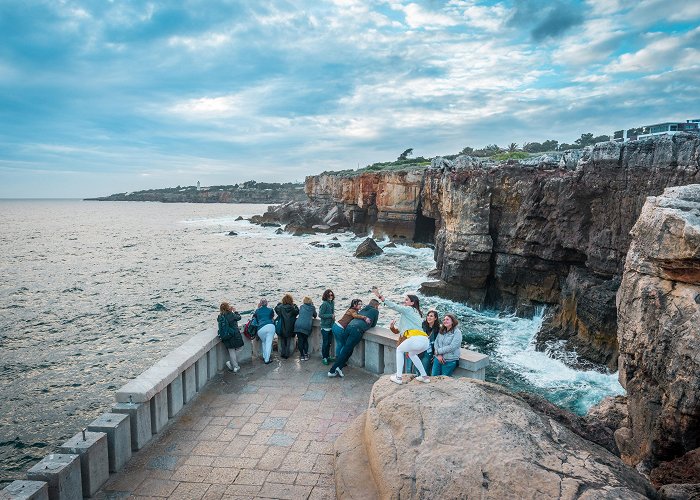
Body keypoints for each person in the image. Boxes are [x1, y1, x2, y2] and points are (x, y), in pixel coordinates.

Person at [373, 288, 430, 384]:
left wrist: (381, 297)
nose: (405, 301)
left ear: (412, 303)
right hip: (425, 341)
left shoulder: (408, 309)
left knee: (399, 350)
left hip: (416, 339)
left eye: (407, 300)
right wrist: (392, 327)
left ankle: (398, 377)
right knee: (412, 354)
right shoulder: (416, 314)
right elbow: (400, 331)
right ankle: (424, 376)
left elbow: (395, 306)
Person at [328, 299, 380, 378]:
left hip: (348, 327)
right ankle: (332, 370)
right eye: (378, 306)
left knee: (348, 349)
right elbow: (373, 325)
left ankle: (339, 367)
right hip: (357, 330)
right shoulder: (375, 311)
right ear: (376, 306)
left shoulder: (362, 309)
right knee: (346, 350)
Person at [217, 302, 244, 373]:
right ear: (228, 307)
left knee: (231, 351)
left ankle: (235, 366)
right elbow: (239, 317)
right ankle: (234, 365)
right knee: (240, 348)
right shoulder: (231, 314)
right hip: (234, 335)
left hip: (226, 337)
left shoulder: (220, 316)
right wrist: (235, 311)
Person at [275, 293, 299, 359]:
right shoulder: (292, 308)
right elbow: (297, 312)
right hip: (290, 327)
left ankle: (283, 353)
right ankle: (287, 354)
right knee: (288, 339)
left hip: (282, 326)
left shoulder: (281, 308)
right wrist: (295, 306)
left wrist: (279, 304)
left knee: (282, 339)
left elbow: (276, 309)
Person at [294, 296, 317, 361]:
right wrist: (312, 306)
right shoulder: (312, 307)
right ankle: (306, 355)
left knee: (300, 340)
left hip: (298, 324)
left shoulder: (301, 307)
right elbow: (315, 315)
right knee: (305, 340)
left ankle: (301, 356)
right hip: (306, 326)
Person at [254, 298, 275, 364]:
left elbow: (255, 318)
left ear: (260, 304)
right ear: (267, 303)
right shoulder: (271, 310)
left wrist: (258, 307)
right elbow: (272, 318)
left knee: (264, 342)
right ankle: (267, 360)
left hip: (260, 328)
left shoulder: (257, 310)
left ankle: (264, 356)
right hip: (270, 326)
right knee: (268, 343)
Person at [420, 309, 440, 375]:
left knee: (425, 369)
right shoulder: (423, 325)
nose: (429, 317)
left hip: (428, 352)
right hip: (419, 349)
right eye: (428, 315)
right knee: (417, 369)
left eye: (431, 316)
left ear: (435, 318)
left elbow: (439, 343)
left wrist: (435, 354)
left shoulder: (438, 329)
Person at [318, 289, 335, 365]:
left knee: (329, 343)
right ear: (326, 296)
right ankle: (324, 358)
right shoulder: (324, 304)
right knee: (325, 343)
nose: (330, 296)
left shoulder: (332, 303)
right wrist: (330, 316)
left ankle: (327, 357)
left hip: (331, 326)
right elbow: (320, 315)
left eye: (331, 295)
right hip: (325, 327)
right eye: (329, 295)